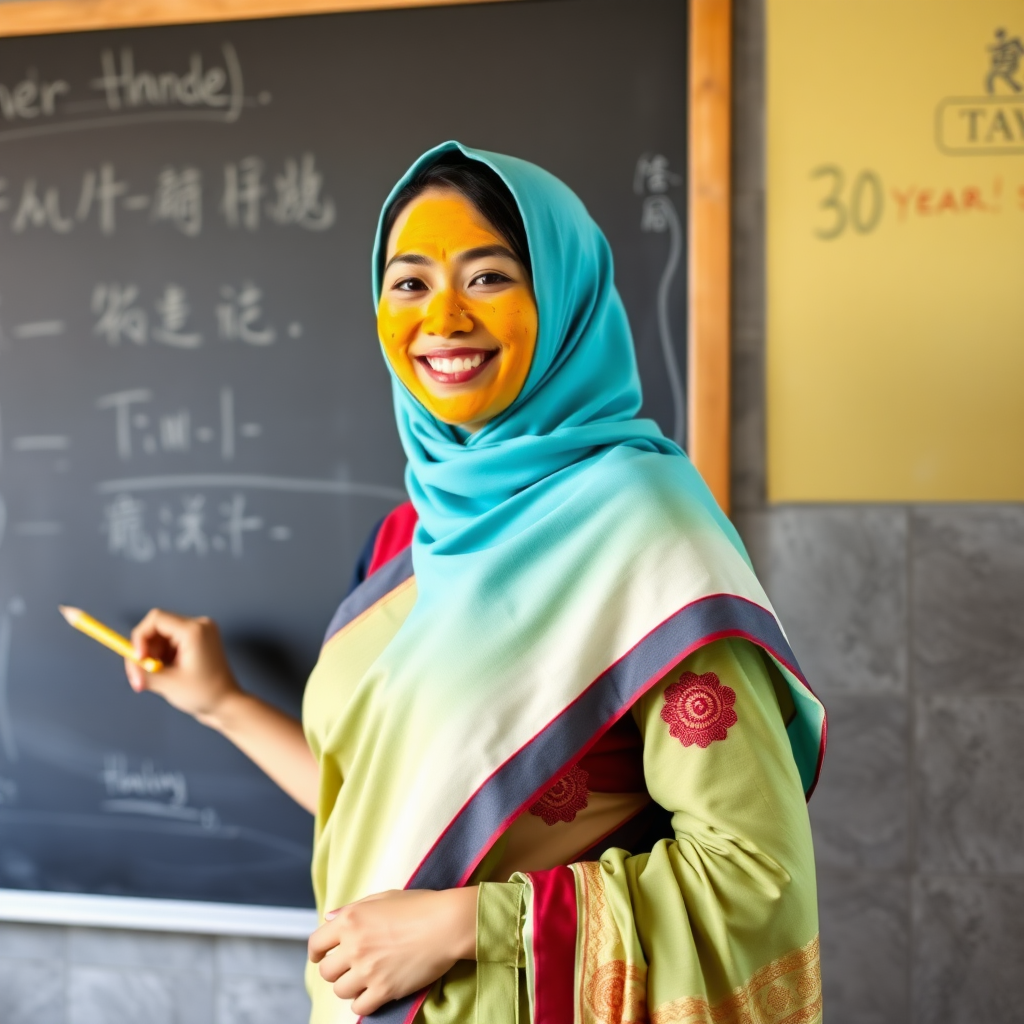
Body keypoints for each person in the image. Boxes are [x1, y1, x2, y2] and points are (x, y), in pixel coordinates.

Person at [126, 142, 825, 1024]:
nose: (443, 317)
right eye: (409, 282)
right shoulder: (410, 535)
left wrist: (467, 925)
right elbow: (398, 807)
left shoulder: (646, 533)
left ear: (563, 297)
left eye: (488, 277)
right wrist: (220, 702)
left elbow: (752, 873)